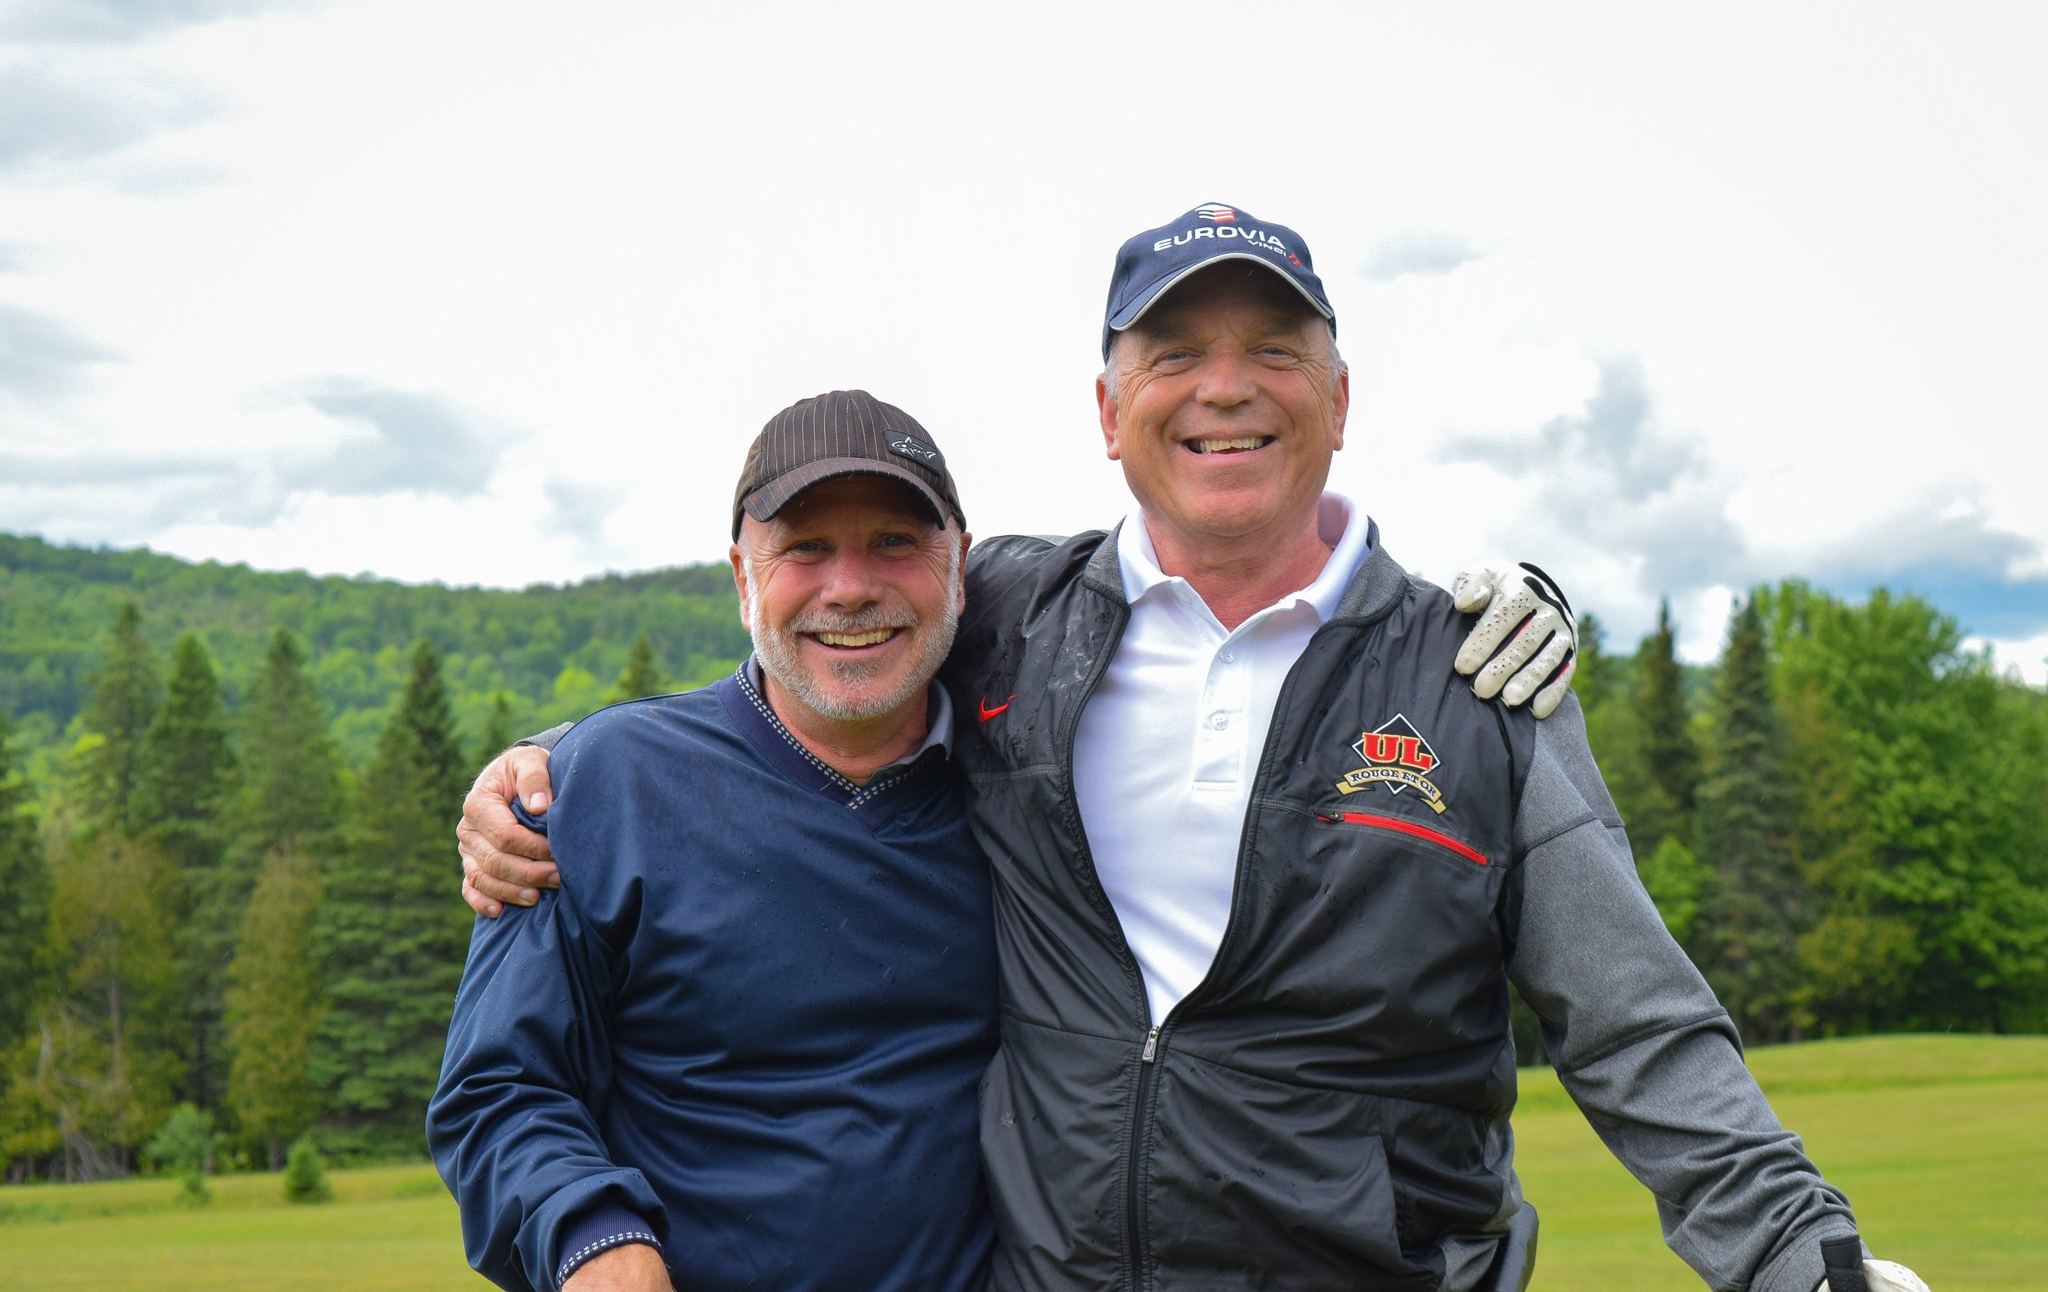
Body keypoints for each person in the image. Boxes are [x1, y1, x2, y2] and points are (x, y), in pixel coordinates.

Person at [458, 204, 1927, 1292]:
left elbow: (1637, 1026)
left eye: (1273, 350)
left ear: (1339, 399)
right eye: (1174, 353)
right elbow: (807, 678)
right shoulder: (1018, 622)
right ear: (1108, 412)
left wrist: (1807, 1259)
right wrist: (553, 764)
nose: (1224, 387)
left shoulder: (1476, 679)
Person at [429, 392, 1000, 1291]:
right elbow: (497, 1089)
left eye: (895, 540)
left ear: (959, 565)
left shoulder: (1034, 783)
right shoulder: (602, 787)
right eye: (806, 548)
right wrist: (593, 1233)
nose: (850, 587)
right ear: (742, 578)